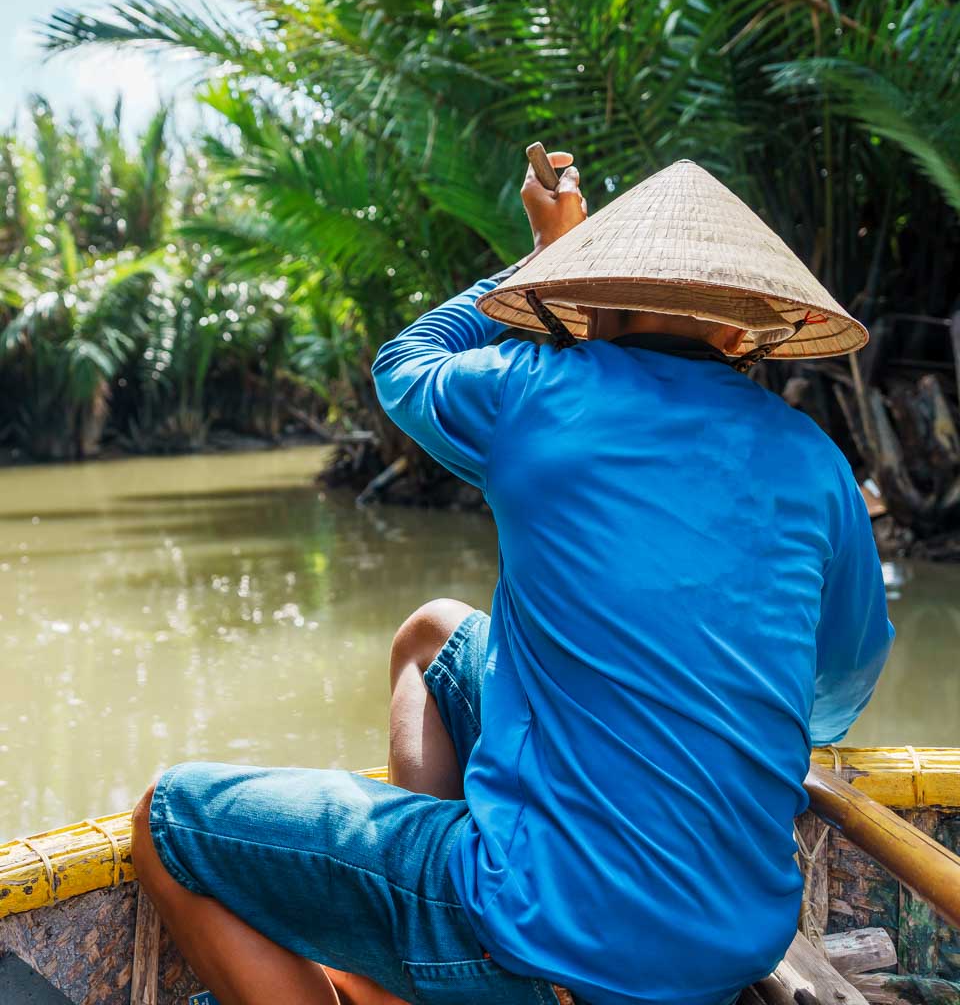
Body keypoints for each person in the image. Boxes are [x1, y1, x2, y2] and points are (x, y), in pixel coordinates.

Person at [130, 152, 894, 1005]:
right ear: (740, 330)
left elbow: (405, 363)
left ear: (597, 292)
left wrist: (541, 254)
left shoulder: (536, 394)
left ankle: (460, 945)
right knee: (433, 634)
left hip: (549, 928)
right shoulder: (818, 465)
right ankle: (419, 973)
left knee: (165, 819)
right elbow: (835, 690)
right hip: (734, 944)